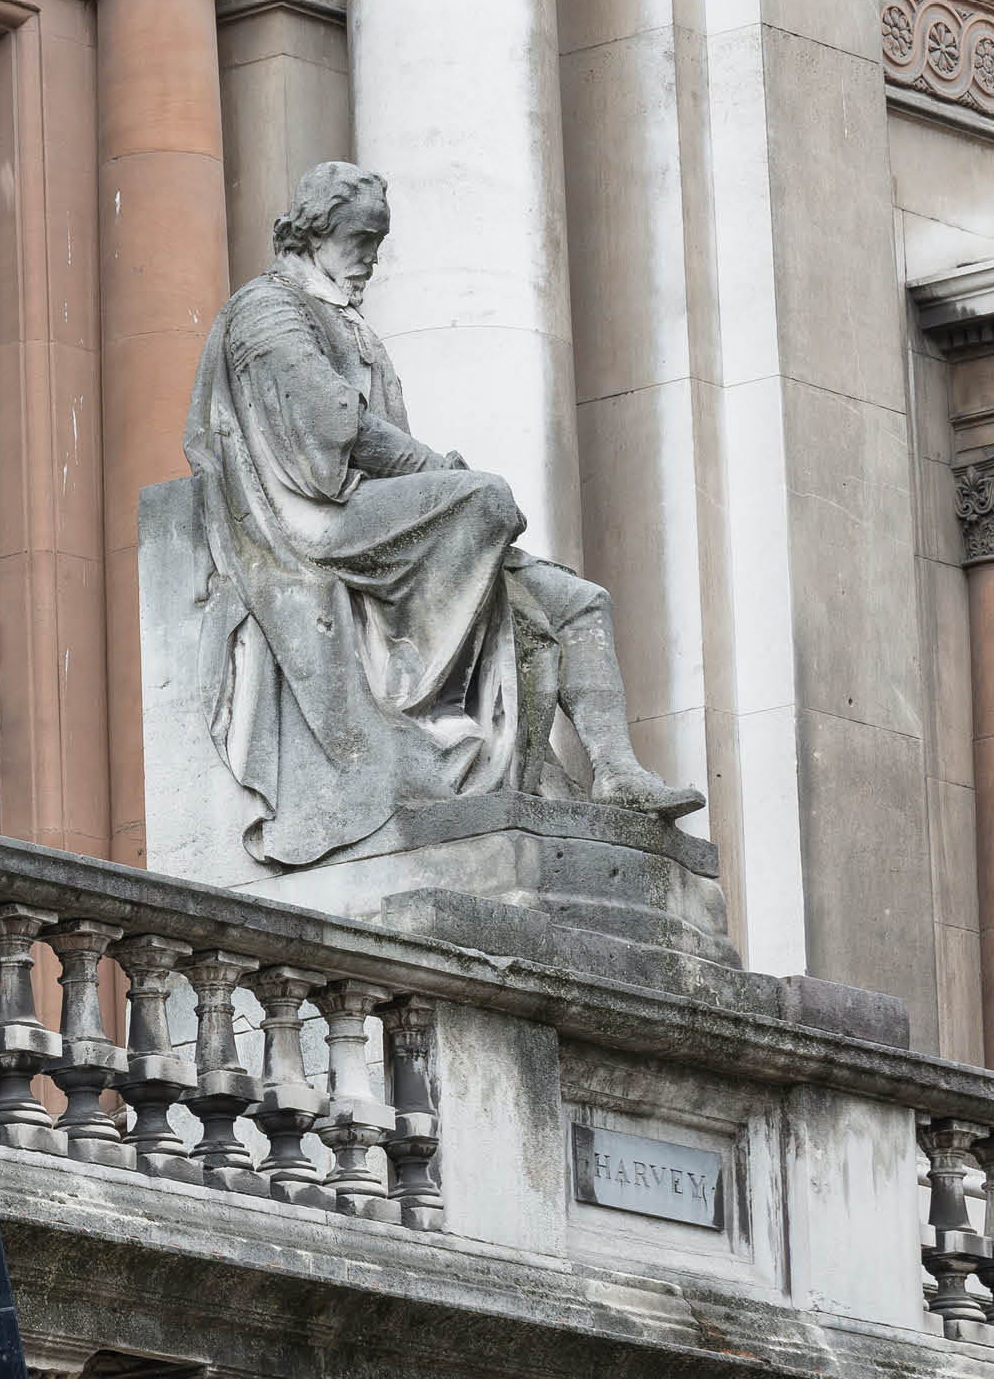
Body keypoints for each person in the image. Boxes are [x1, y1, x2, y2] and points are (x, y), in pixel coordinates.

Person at [186, 161, 700, 870]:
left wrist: (431, 478)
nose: (371, 257)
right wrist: (434, 472)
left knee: (579, 601)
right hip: (314, 523)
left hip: (372, 514)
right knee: (485, 500)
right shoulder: (266, 311)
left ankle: (616, 771)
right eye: (361, 239)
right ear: (315, 231)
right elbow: (332, 430)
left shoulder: (344, 320)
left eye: (377, 241)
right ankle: (445, 715)